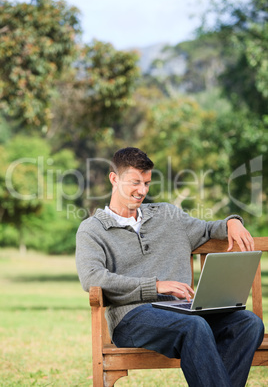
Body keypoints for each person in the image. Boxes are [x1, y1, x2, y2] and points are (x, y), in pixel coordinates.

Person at [76, 147, 264, 387]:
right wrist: (154, 286)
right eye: (135, 182)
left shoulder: (168, 216)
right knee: (194, 326)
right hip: (132, 317)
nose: (142, 191)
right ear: (114, 179)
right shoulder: (93, 229)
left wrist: (232, 222)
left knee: (248, 324)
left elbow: (207, 229)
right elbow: (92, 278)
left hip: (184, 312)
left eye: (147, 183)